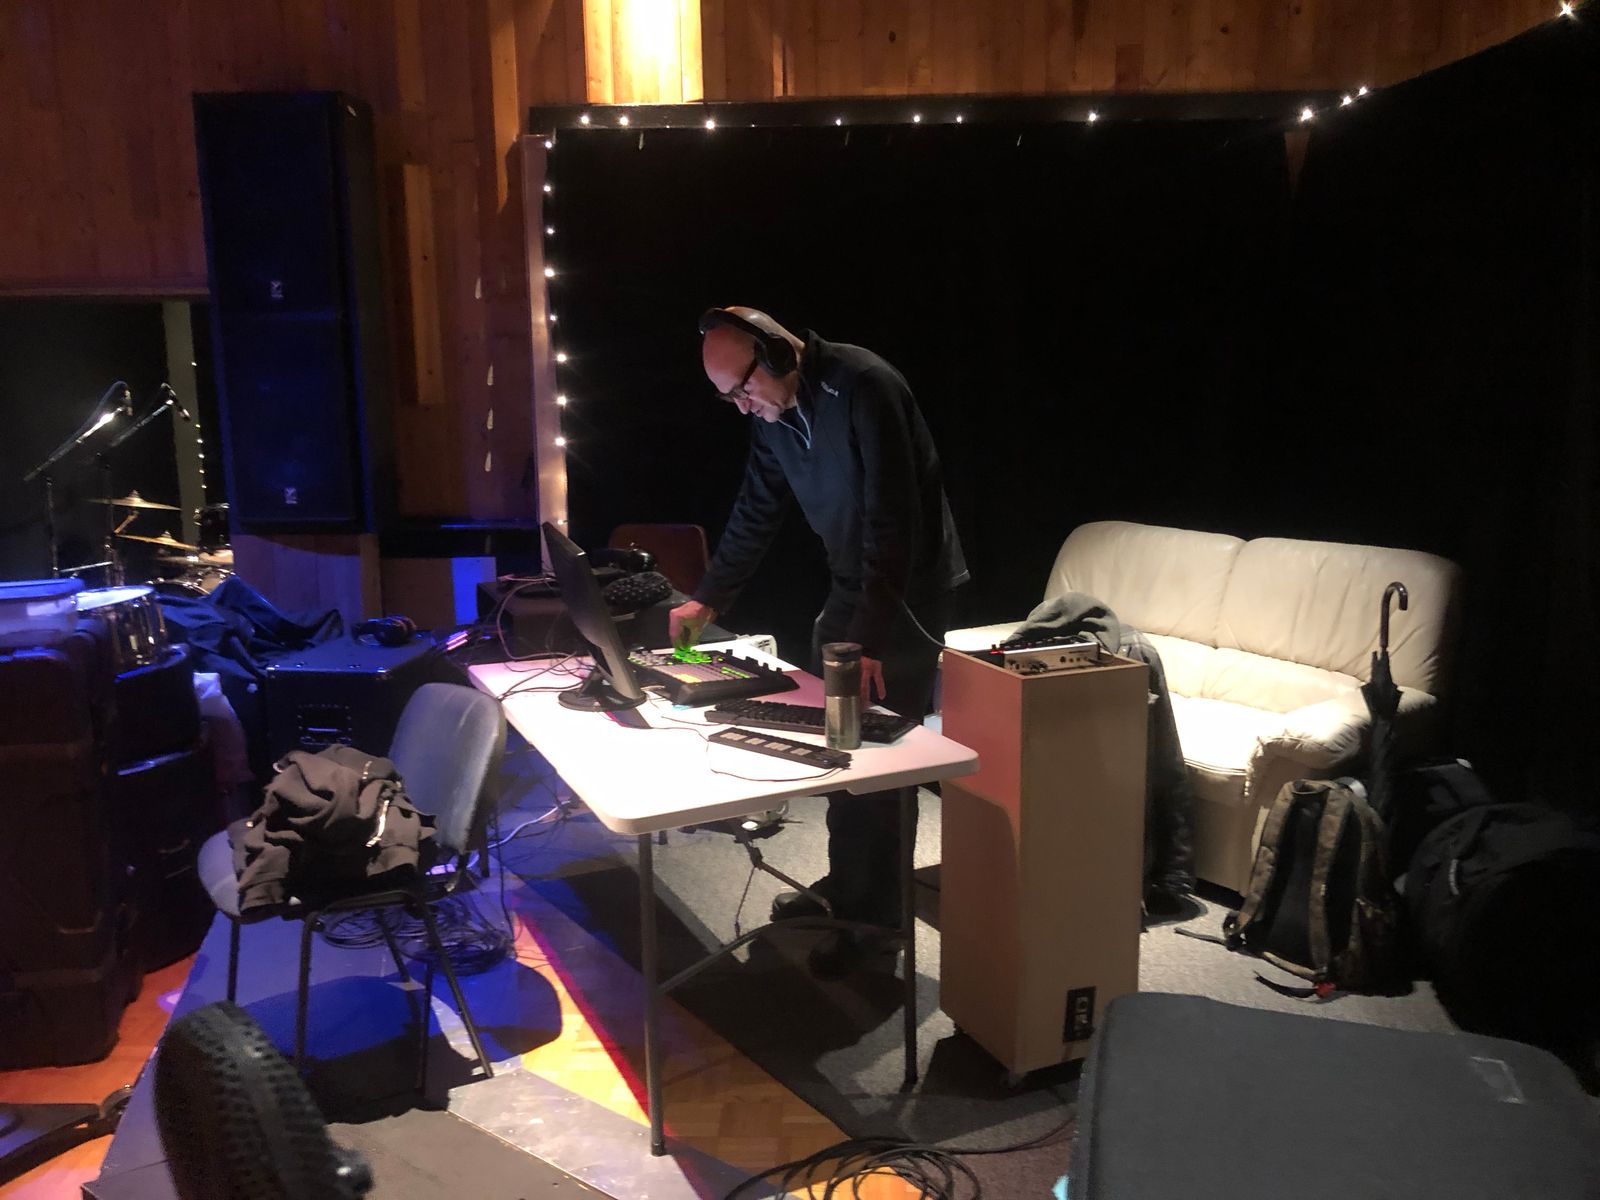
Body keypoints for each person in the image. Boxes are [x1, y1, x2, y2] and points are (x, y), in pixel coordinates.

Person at [670, 307, 968, 979]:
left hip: (907, 593)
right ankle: (847, 888)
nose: (743, 407)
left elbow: (894, 520)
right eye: (729, 399)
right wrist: (708, 597)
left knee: (880, 766)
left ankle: (878, 927)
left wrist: (867, 639)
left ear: (778, 353)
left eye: (743, 390)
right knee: (838, 753)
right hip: (852, 585)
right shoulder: (775, 414)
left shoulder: (865, 385)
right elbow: (756, 507)